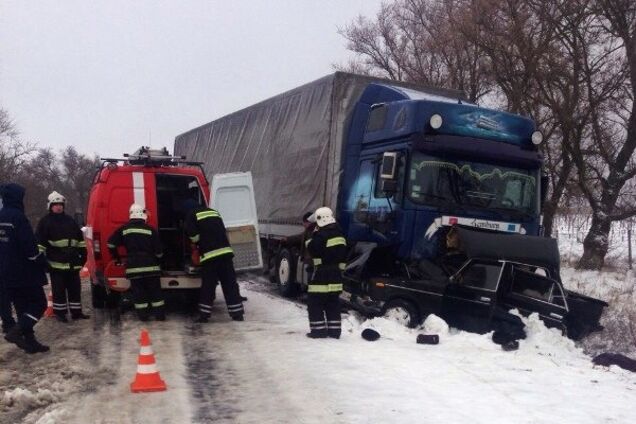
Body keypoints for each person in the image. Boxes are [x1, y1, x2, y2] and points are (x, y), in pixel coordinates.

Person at [0, 183, 50, 353]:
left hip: (6, 272)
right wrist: (42, 261)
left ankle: (30, 342)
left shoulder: (1, 216)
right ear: (16, 197)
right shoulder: (18, 218)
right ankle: (17, 331)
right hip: (24, 272)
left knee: (22, 306)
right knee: (39, 303)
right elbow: (30, 247)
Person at [183, 199, 244, 323]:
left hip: (210, 256)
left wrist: (195, 245)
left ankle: (204, 315)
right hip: (225, 253)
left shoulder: (191, 215)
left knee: (208, 286)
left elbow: (194, 236)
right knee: (230, 284)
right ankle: (237, 314)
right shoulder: (214, 212)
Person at [35, 191, 89, 322]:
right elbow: (40, 245)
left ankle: (76, 312)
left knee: (75, 289)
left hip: (73, 262)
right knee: (58, 291)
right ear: (50, 206)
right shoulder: (45, 222)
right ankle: (60, 313)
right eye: (55, 205)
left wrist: (83, 255)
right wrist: (43, 263)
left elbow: (79, 239)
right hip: (56, 264)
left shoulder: (70, 220)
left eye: (60, 204)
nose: (58, 207)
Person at [107, 204, 165, 321]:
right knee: (155, 293)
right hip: (151, 267)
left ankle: (143, 316)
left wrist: (117, 257)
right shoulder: (150, 230)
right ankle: (159, 315)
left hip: (133, 267)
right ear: (142, 215)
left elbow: (110, 244)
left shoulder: (124, 229)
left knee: (139, 293)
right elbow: (159, 251)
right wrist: (159, 260)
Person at [305, 206, 347, 339]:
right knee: (333, 303)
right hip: (336, 274)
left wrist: (310, 237)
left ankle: (318, 331)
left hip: (321, 274)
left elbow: (313, 249)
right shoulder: (340, 233)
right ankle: (334, 331)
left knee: (315, 303)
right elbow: (344, 256)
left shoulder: (321, 235)